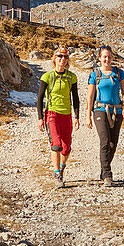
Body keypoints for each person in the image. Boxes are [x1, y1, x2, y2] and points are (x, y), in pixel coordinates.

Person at [86, 45, 124, 186]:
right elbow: (90, 96)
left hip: (116, 110)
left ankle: (103, 171)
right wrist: (87, 115)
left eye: (109, 56)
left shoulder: (118, 72)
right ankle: (108, 175)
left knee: (113, 143)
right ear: (99, 58)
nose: (107, 59)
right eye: (104, 56)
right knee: (104, 141)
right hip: (100, 110)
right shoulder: (95, 74)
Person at [37, 46, 80, 186]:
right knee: (56, 145)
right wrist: (40, 118)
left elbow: (76, 98)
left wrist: (77, 117)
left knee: (66, 148)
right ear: (54, 58)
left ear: (68, 60)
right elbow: (39, 98)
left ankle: (61, 168)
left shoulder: (72, 77)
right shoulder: (47, 76)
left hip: (66, 115)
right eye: (60, 56)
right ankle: (57, 176)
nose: (62, 59)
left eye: (65, 57)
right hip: (52, 114)